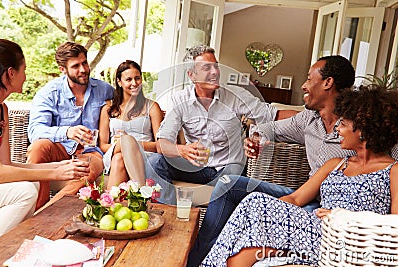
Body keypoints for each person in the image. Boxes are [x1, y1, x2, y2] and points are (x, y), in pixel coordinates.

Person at [187, 55, 398, 266]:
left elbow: (393, 225)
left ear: (328, 82)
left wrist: (340, 217)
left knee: (259, 225)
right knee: (246, 198)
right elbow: (295, 196)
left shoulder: (391, 167)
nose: (304, 85)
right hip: (312, 205)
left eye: (309, 78)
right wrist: (257, 139)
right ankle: (201, 262)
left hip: (340, 233)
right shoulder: (324, 144)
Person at [153, 45, 297, 204]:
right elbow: (162, 144)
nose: (215, 72)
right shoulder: (179, 100)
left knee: (228, 180)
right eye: (207, 68)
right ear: (192, 75)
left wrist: (310, 117)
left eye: (216, 66)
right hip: (195, 168)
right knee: (154, 161)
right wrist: (182, 150)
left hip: (228, 168)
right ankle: (172, 212)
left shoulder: (235, 95)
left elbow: (273, 115)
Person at [0, 38, 89, 237]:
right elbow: (0, 174)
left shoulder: (2, 110)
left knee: (32, 184)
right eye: (24, 69)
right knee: (25, 192)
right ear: (11, 74)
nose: (26, 75)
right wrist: (54, 174)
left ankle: (17, 240)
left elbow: (5, 164)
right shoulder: (49, 92)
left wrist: (60, 168)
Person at [27, 42, 114, 210]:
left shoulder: (105, 90)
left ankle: (45, 213)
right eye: (76, 66)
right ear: (63, 70)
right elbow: (35, 131)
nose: (83, 69)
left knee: (87, 171)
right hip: (60, 148)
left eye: (84, 63)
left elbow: (128, 107)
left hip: (91, 152)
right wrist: (67, 132)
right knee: (38, 148)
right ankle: (37, 205)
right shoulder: (50, 93)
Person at [99, 60, 163, 188]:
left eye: (137, 78)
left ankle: (110, 205)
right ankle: (141, 191)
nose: (134, 83)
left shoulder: (152, 107)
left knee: (120, 158)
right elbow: (103, 145)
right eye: (128, 79)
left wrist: (131, 144)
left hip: (145, 156)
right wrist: (123, 145)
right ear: (119, 82)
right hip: (114, 152)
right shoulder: (108, 108)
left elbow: (161, 145)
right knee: (118, 156)